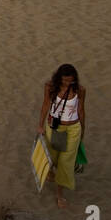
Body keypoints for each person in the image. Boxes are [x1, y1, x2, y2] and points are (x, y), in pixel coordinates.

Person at [38, 64, 86, 209]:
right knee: (53, 156)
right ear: (59, 78)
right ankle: (49, 173)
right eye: (64, 81)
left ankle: (60, 195)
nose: (67, 83)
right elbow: (45, 104)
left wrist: (83, 130)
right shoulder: (50, 87)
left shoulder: (79, 90)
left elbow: (81, 110)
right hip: (55, 127)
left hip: (73, 128)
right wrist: (40, 125)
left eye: (70, 81)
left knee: (66, 163)